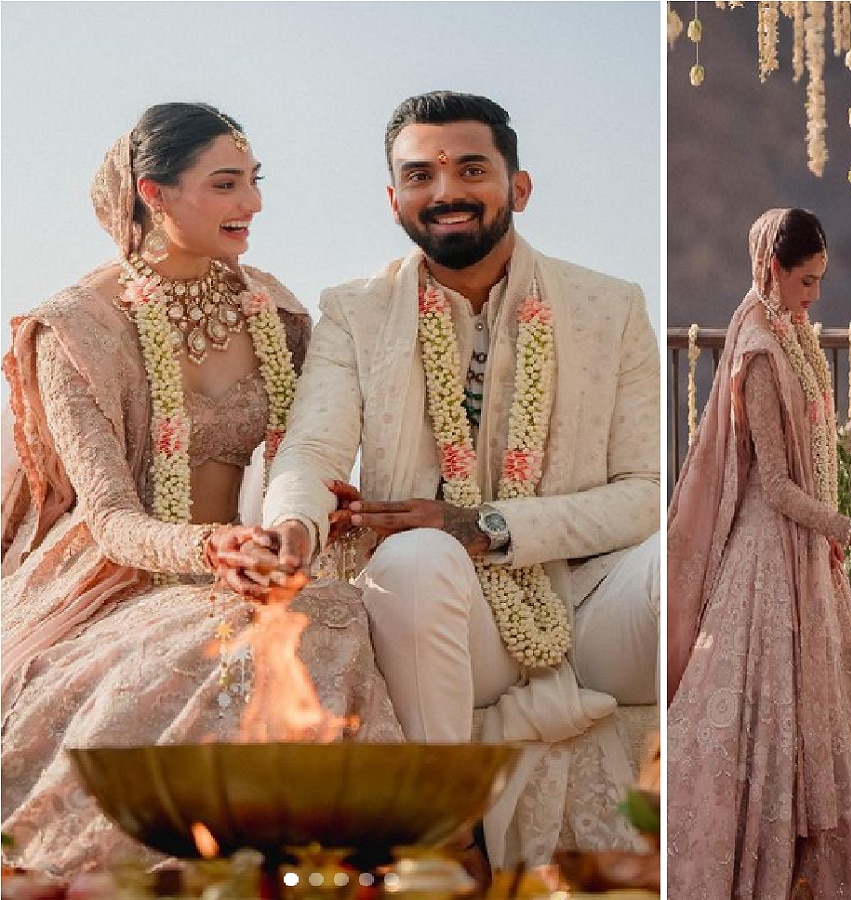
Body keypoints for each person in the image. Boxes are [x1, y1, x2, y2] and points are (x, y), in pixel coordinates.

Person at [224, 91, 660, 866]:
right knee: (417, 560)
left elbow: (645, 491)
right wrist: (293, 527)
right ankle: (444, 843)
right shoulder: (356, 311)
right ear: (395, 200)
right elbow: (313, 450)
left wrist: (489, 526)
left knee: (691, 556)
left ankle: (731, 829)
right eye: (420, 175)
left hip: (593, 601)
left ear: (517, 188)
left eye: (470, 168)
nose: (446, 191)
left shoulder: (609, 306)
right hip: (466, 621)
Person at [0, 103, 402, 876]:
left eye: (254, 182)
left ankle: (317, 870)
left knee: (332, 611)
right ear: (153, 193)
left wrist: (322, 515)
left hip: (253, 565)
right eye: (225, 185)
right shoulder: (76, 330)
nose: (251, 204)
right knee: (221, 643)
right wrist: (207, 547)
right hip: (121, 575)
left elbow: (305, 454)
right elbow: (113, 518)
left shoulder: (275, 312)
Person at [666, 208, 851, 900]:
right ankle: (768, 866)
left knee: (823, 710)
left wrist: (835, 534)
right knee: (765, 717)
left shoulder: (792, 330)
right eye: (805, 281)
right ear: (772, 270)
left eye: (819, 282)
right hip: (767, 559)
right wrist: (850, 531)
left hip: (804, 552)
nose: (815, 296)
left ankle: (813, 864)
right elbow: (775, 485)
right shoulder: (757, 347)